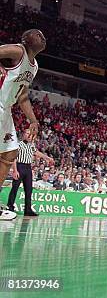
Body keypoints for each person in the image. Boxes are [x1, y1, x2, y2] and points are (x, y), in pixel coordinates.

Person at [0, 29, 46, 221]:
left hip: (6, 110)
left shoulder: (33, 66)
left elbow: (23, 96)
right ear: (26, 40)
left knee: (10, 153)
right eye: (37, 34)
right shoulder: (18, 51)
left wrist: (33, 120)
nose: (41, 35)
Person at [7, 128, 53, 216]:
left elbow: (37, 153)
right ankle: (10, 207)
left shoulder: (31, 145)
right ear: (24, 134)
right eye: (27, 133)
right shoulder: (18, 145)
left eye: (30, 134)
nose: (29, 135)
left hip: (28, 168)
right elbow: (14, 158)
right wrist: (15, 170)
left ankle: (28, 209)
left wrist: (47, 158)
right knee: (15, 188)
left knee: (29, 190)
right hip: (20, 166)